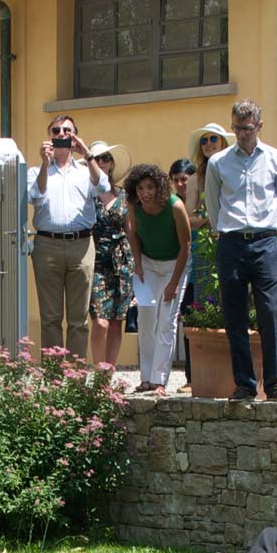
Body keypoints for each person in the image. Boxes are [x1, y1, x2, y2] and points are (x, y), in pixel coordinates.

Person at [202, 99, 277, 400]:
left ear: (259, 126)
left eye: (247, 128)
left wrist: (267, 228)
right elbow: (213, 204)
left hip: (265, 241)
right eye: (237, 128)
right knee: (234, 314)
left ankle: (275, 383)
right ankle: (244, 383)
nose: (242, 134)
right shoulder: (218, 163)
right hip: (231, 241)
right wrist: (224, 229)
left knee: (270, 312)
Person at [28, 113, 104, 358]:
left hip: (81, 244)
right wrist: (44, 163)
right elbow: (35, 195)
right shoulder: (35, 170)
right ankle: (53, 374)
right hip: (47, 244)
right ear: (49, 136)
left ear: (74, 137)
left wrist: (87, 154)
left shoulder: (86, 170)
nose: (61, 134)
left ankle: (76, 373)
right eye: (56, 131)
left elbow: (103, 187)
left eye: (67, 131)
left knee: (78, 318)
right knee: (50, 317)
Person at [124, 162, 189, 394]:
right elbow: (132, 233)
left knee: (166, 322)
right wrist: (138, 264)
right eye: (140, 188)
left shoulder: (175, 206)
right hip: (148, 264)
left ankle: (159, 380)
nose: (145, 193)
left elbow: (186, 246)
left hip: (174, 265)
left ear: (159, 187)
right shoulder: (134, 205)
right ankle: (146, 379)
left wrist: (174, 283)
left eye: (150, 187)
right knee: (146, 318)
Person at [85, 142, 131, 372]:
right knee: (100, 322)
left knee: (115, 323)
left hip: (122, 263)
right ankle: (98, 370)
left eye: (105, 158)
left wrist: (138, 264)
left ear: (112, 163)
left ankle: (107, 378)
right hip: (95, 261)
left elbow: (130, 228)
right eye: (96, 158)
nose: (101, 162)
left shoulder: (123, 195)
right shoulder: (86, 194)